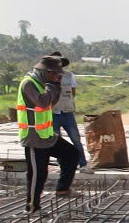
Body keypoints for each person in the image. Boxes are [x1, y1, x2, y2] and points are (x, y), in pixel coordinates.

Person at [18, 53, 79, 211]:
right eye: (55, 74)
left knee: (71, 154)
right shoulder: (29, 84)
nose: (57, 76)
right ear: (45, 72)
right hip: (33, 137)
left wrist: (56, 85)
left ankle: (62, 188)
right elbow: (43, 102)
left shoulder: (45, 83)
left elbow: (52, 101)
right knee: (38, 174)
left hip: (46, 135)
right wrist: (52, 85)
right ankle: (32, 206)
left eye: (59, 74)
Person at [54, 58, 87, 169]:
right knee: (57, 140)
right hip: (53, 113)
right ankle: (62, 164)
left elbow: (73, 93)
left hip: (67, 113)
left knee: (76, 139)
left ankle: (82, 163)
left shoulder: (69, 76)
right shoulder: (46, 77)